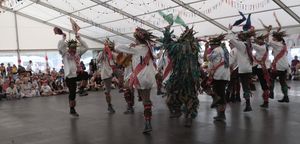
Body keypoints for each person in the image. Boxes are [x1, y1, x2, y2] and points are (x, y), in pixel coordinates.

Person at [116, 27, 157, 133]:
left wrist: (129, 46)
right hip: (149, 77)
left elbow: (117, 47)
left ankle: (147, 122)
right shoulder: (148, 49)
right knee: (146, 99)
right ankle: (148, 122)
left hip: (140, 77)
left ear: (138, 39)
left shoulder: (135, 49)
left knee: (139, 95)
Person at [58, 33, 88, 117]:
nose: (73, 49)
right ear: (69, 48)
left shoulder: (77, 53)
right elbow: (60, 48)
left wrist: (79, 39)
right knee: (72, 94)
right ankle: (72, 109)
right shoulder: (64, 54)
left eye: (75, 48)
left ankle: (81, 89)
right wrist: (63, 38)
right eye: (72, 48)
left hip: (77, 74)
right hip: (69, 77)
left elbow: (86, 47)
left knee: (85, 74)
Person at [227, 24, 255, 112]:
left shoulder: (241, 45)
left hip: (242, 69)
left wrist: (229, 30)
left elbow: (231, 39)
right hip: (248, 69)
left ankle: (246, 104)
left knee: (236, 82)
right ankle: (247, 104)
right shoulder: (249, 45)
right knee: (245, 87)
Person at [206, 35, 230, 121]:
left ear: (214, 45)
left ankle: (221, 114)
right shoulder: (225, 50)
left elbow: (207, 58)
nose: (210, 47)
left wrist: (206, 49)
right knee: (221, 93)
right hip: (226, 75)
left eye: (211, 45)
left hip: (219, 75)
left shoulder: (216, 50)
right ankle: (221, 113)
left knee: (219, 94)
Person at [97, 38, 118, 113]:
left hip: (114, 71)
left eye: (110, 47)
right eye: (108, 47)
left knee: (124, 84)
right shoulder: (101, 53)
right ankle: (109, 105)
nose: (109, 49)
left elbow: (118, 58)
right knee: (108, 91)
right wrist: (103, 52)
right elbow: (98, 60)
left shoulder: (112, 54)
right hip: (106, 74)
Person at [252, 34, 272, 108]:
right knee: (264, 84)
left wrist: (249, 37)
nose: (258, 41)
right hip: (264, 67)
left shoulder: (261, 48)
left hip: (262, 68)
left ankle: (266, 101)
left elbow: (252, 45)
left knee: (264, 85)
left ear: (262, 40)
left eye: (260, 40)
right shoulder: (265, 46)